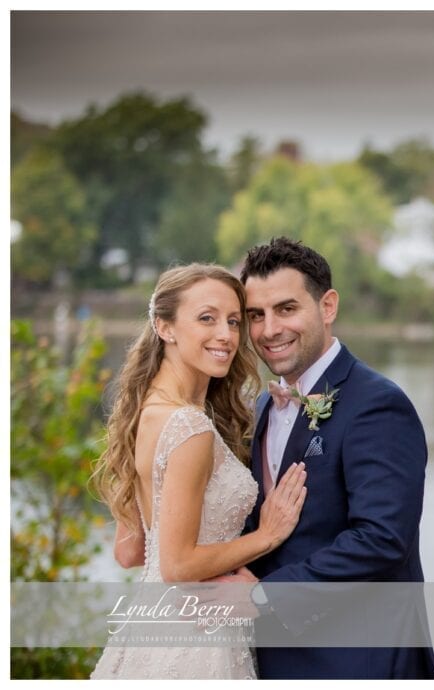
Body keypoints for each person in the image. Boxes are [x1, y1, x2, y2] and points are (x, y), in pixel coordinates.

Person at [90, 264, 308, 679]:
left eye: (233, 321)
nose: (226, 335)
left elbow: (130, 551)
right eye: (206, 318)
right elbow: (177, 565)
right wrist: (267, 536)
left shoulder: (144, 412)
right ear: (165, 327)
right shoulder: (189, 428)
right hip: (197, 634)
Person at [237, 237, 434, 679]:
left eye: (286, 309)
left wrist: (264, 597)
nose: (269, 329)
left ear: (327, 306)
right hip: (276, 657)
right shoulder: (265, 405)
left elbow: (383, 537)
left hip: (358, 659)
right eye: (256, 315)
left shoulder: (377, 404)